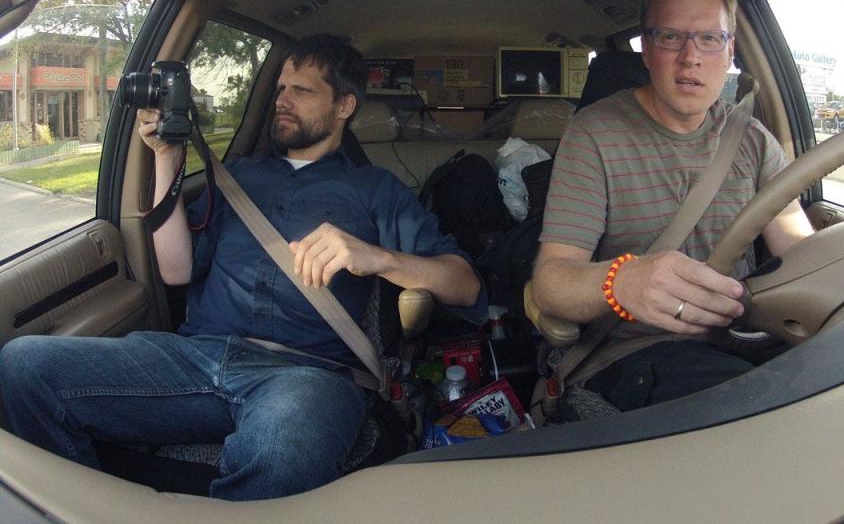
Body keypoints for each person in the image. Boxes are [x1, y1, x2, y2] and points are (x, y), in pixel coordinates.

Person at [0, 34, 483, 500]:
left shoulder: (378, 190)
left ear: (344, 107)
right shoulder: (240, 176)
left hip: (307, 375)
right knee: (24, 366)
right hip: (194, 358)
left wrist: (379, 257)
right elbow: (174, 271)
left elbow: (463, 285)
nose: (283, 100)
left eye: (302, 90)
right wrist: (167, 157)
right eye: (279, 90)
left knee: (280, 446)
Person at [531, 0, 844, 414]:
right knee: (784, 414)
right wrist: (622, 281)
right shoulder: (595, 133)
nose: (690, 56)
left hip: (745, 332)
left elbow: (800, 249)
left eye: (710, 39)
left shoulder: (752, 139)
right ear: (648, 50)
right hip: (636, 351)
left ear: (730, 51)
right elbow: (551, 281)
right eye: (671, 36)